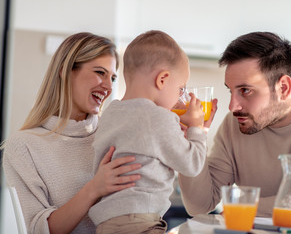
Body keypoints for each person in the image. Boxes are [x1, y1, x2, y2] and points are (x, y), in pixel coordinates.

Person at [178, 31, 291, 219]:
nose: (232, 106)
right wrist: (191, 141)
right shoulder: (234, 125)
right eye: (231, 91)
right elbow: (199, 206)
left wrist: (241, 208)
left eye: (245, 90)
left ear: (283, 88)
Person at [2, 32, 142, 234]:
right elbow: (35, 230)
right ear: (66, 71)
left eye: (112, 77)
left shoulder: (114, 132)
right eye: (100, 72)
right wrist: (95, 188)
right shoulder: (23, 147)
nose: (109, 86)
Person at [88, 30, 208, 234]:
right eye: (180, 89)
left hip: (106, 223)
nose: (181, 97)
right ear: (162, 79)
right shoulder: (160, 118)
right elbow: (192, 164)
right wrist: (198, 127)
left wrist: (178, 122)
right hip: (140, 221)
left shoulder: (110, 113)